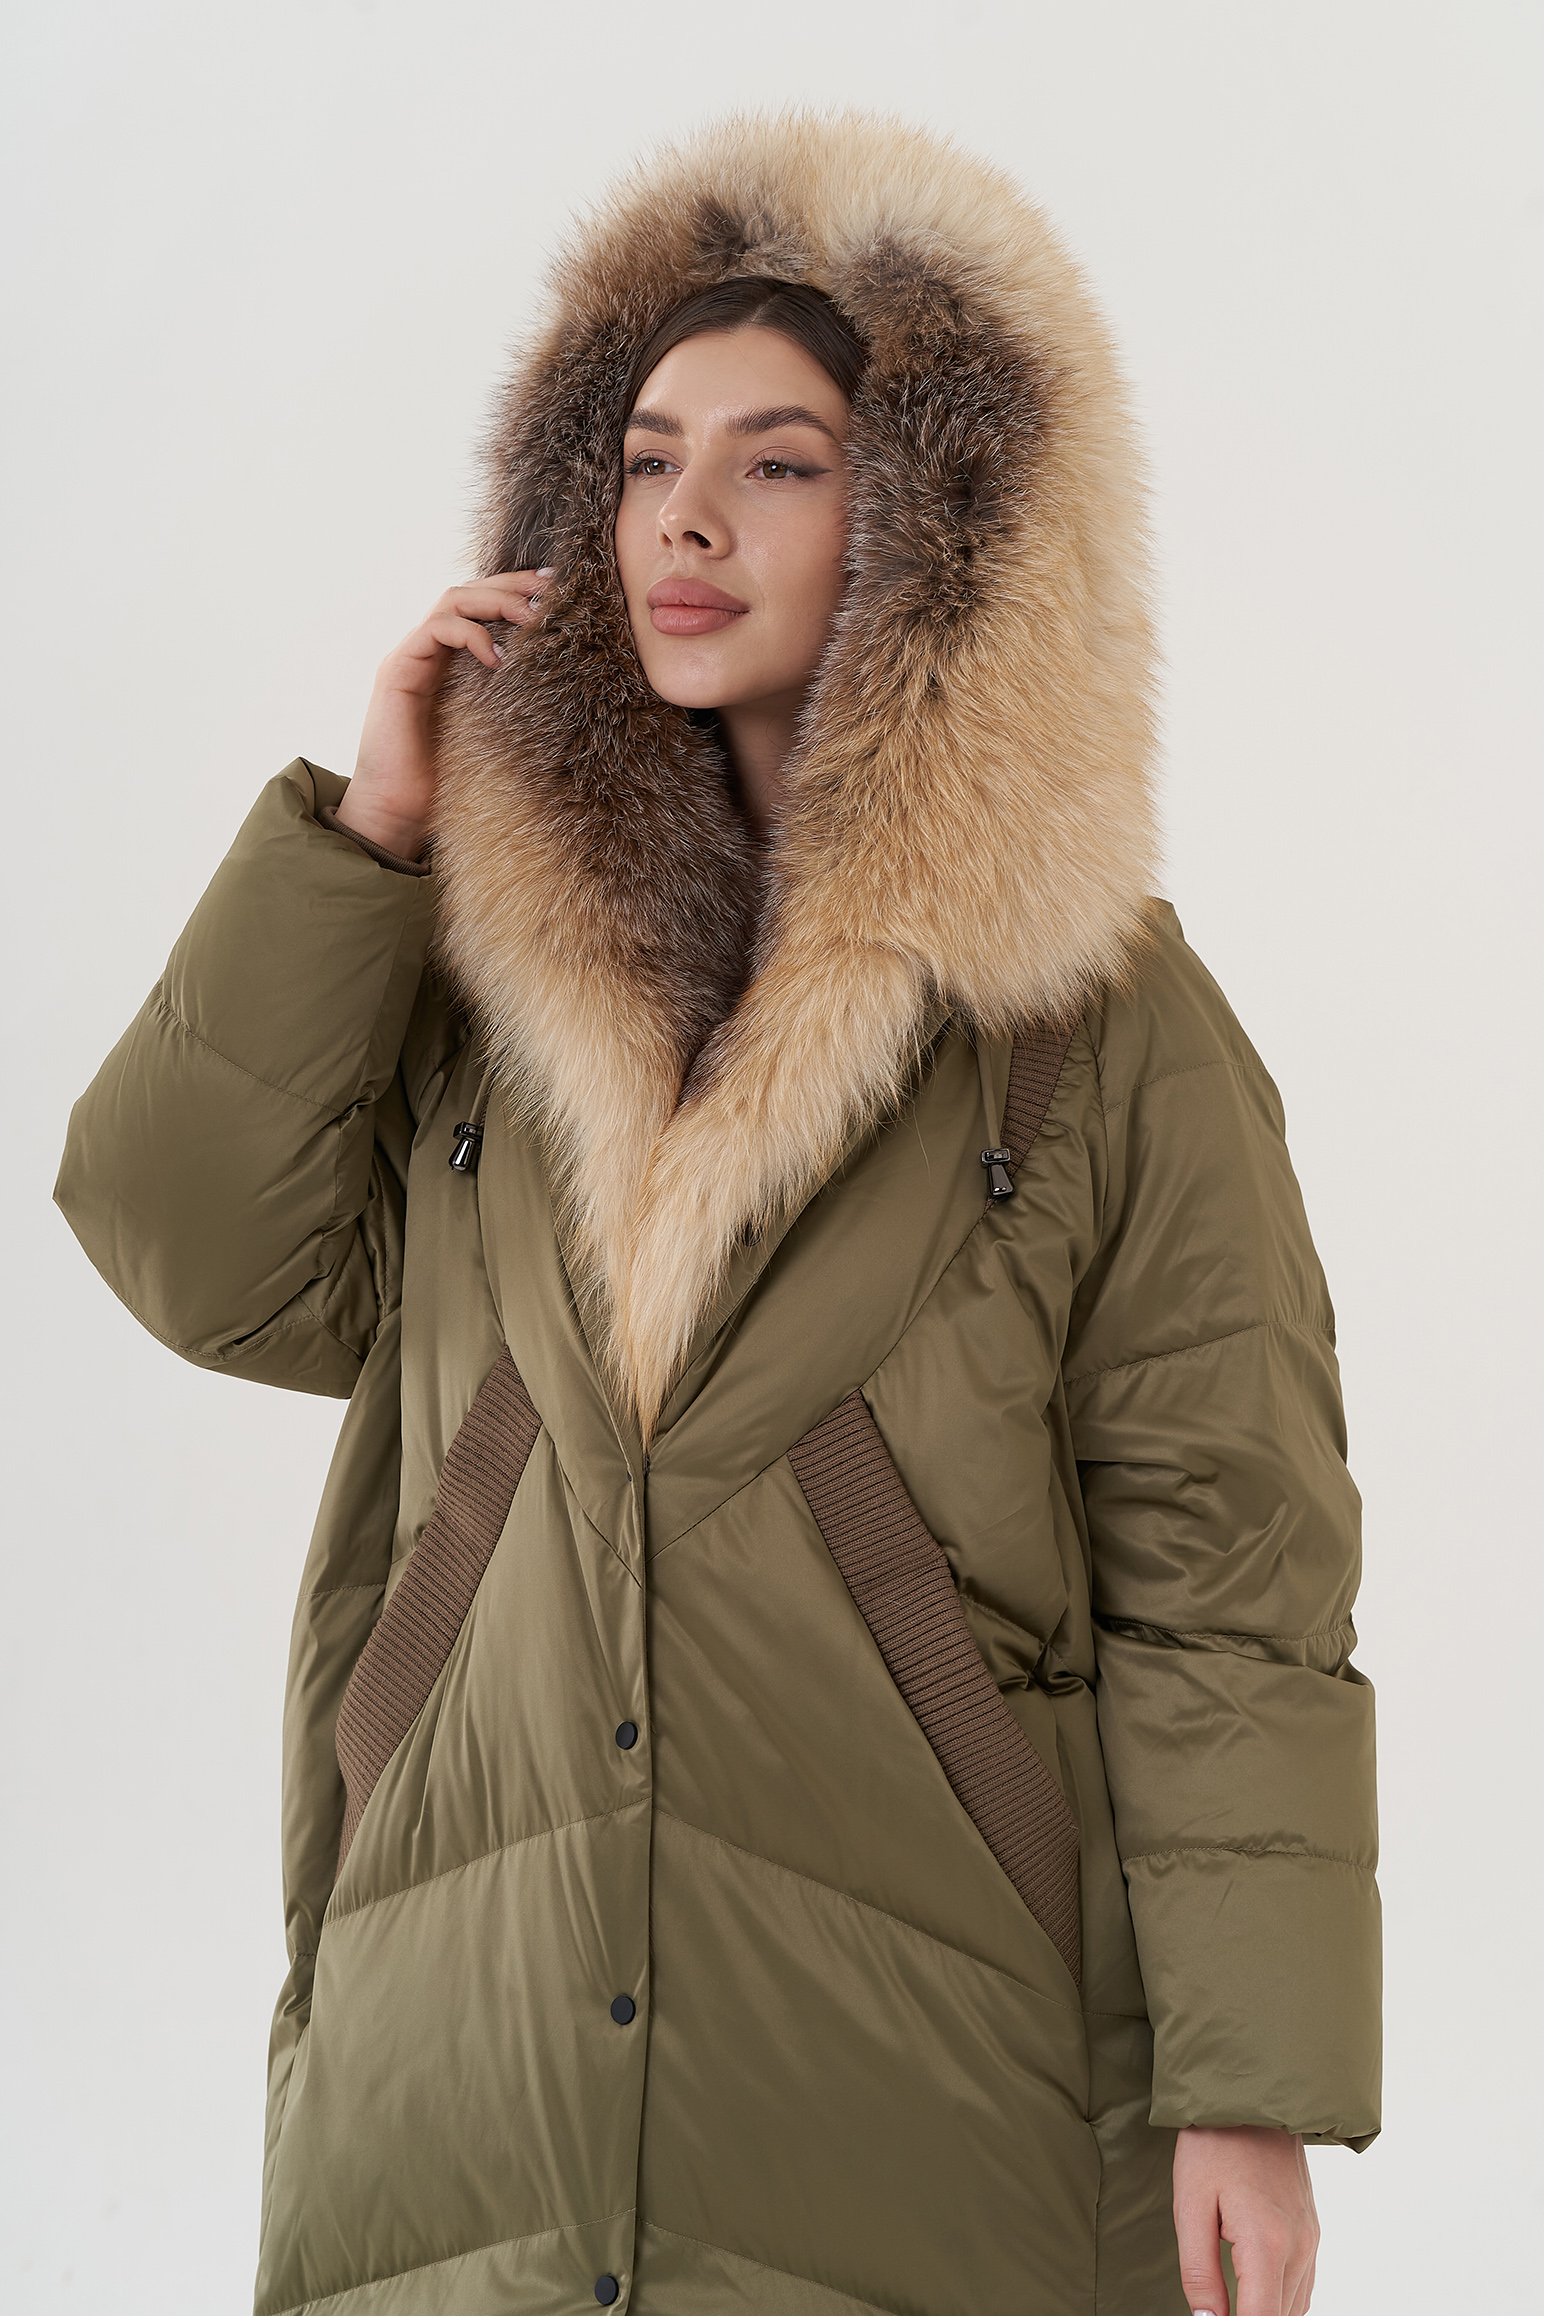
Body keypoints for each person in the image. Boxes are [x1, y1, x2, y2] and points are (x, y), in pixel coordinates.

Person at [55, 113, 1379, 2316]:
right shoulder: (476, 980)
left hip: (923, 2084)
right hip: (463, 2072)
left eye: (778, 463)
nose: (686, 515)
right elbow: (204, 1262)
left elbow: (1228, 1576)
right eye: (648, 457)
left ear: (935, 532)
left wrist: (1254, 2083)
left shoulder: (1094, 1022)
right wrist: (369, 839)